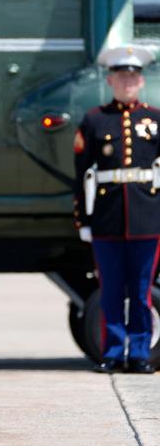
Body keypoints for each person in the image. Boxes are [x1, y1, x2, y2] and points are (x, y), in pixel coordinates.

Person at [74, 43, 159, 374]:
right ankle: (112, 352)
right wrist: (83, 218)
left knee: (140, 293)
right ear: (110, 81)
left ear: (140, 81)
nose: (127, 82)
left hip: (148, 219)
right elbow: (81, 174)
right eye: (121, 76)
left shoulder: (155, 119)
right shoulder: (94, 120)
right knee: (110, 292)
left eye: (133, 76)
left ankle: (139, 353)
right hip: (107, 221)